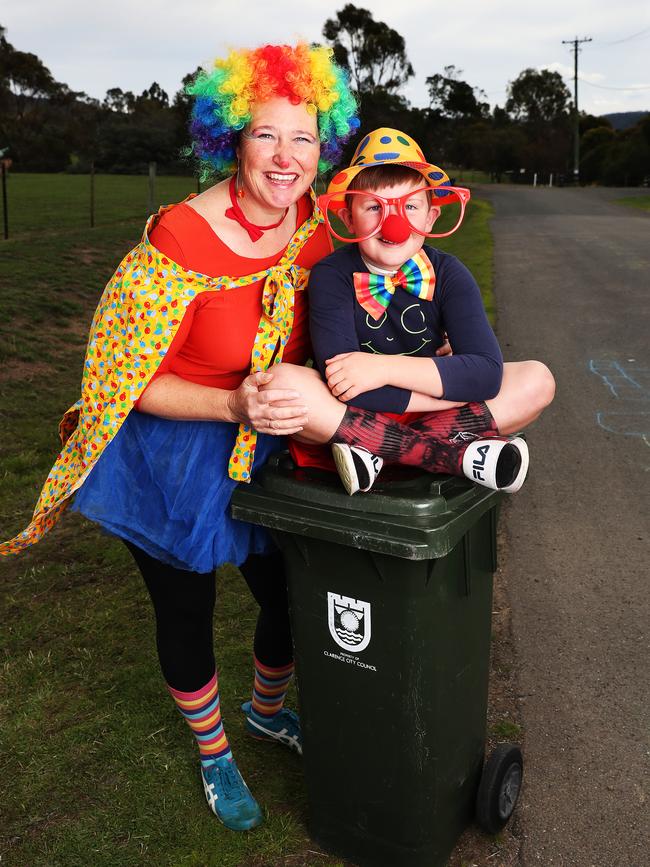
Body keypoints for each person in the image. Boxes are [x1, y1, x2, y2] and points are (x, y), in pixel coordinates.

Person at [0, 43, 358, 831]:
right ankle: (215, 753)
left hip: (275, 443)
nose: (286, 157)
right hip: (175, 447)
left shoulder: (316, 229)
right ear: (232, 138)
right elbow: (123, 381)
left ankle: (266, 713)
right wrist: (233, 404)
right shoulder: (179, 240)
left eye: (304, 138)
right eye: (267, 135)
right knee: (186, 609)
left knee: (293, 598)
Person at [263, 128, 556, 494]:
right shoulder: (331, 275)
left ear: (431, 217)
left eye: (410, 206)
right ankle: (455, 456)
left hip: (438, 415)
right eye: (373, 207)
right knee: (281, 387)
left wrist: (381, 367)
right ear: (348, 218)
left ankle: (375, 450)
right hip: (354, 415)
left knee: (537, 379)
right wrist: (449, 383)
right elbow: (347, 389)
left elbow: (486, 375)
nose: (393, 224)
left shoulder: (450, 274)